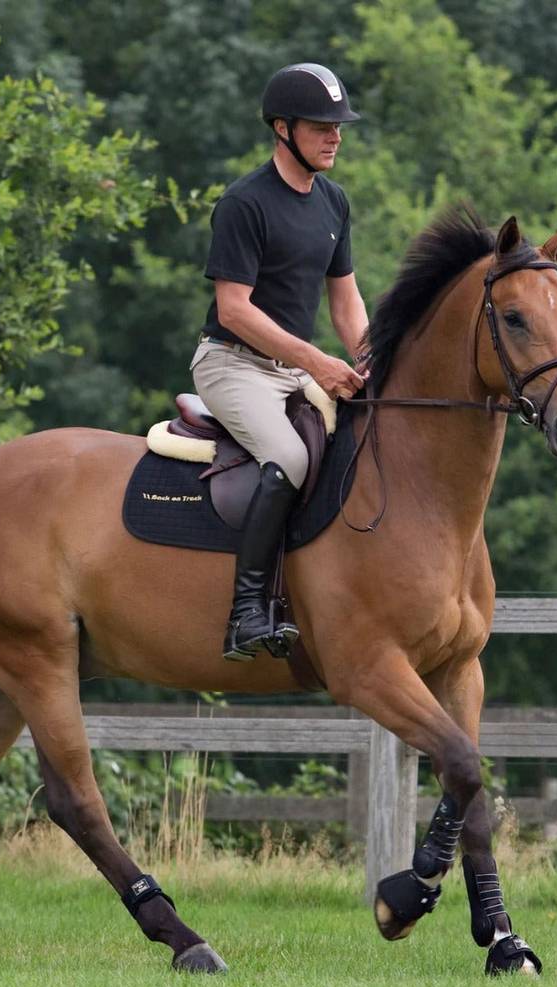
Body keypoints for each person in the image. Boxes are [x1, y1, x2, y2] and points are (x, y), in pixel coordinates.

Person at [193, 62, 371, 662]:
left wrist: (374, 363)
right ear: (282, 128)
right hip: (231, 364)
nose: (335, 137)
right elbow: (235, 310)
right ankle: (246, 613)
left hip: (291, 368)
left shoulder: (333, 203)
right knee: (291, 457)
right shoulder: (244, 204)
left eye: (339, 126)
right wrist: (317, 362)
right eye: (322, 125)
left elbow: (345, 301)